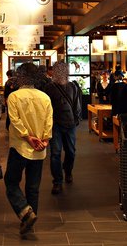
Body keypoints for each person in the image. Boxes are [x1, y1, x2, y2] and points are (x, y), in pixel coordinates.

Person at [5, 62, 53, 235]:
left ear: (20, 76)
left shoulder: (14, 97)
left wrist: (27, 137)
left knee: (11, 182)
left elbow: (15, 121)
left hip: (20, 146)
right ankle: (30, 222)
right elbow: (49, 122)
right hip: (39, 148)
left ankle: (25, 212)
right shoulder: (45, 97)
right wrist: (45, 140)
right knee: (33, 187)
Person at [42, 61, 82, 195]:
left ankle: (68, 171)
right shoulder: (49, 88)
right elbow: (46, 107)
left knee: (71, 151)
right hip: (55, 125)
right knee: (55, 153)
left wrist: (76, 119)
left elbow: (77, 103)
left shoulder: (73, 86)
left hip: (70, 124)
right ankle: (57, 181)